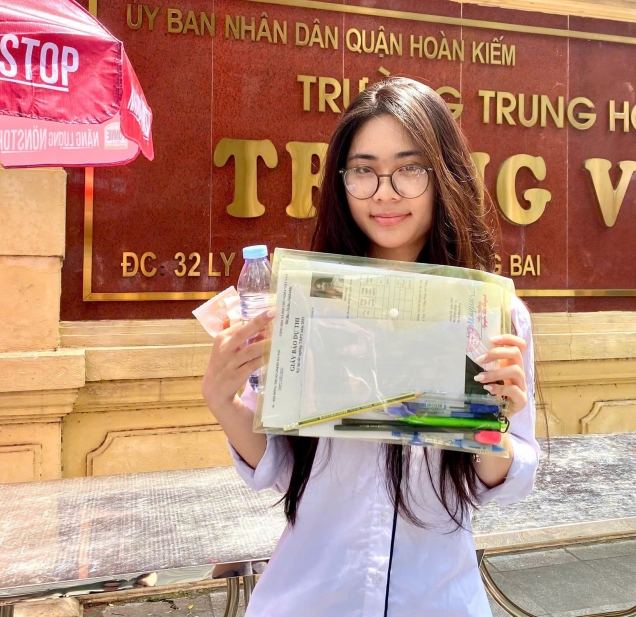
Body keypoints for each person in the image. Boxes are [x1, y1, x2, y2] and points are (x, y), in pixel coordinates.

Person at [201, 77, 539, 617]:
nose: (384, 192)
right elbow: (282, 469)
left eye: (409, 168)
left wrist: (490, 427)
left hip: (436, 601)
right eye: (363, 170)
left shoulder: (492, 316)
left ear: (445, 175)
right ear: (342, 182)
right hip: (309, 600)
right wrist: (225, 402)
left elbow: (498, 483)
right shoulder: (304, 304)